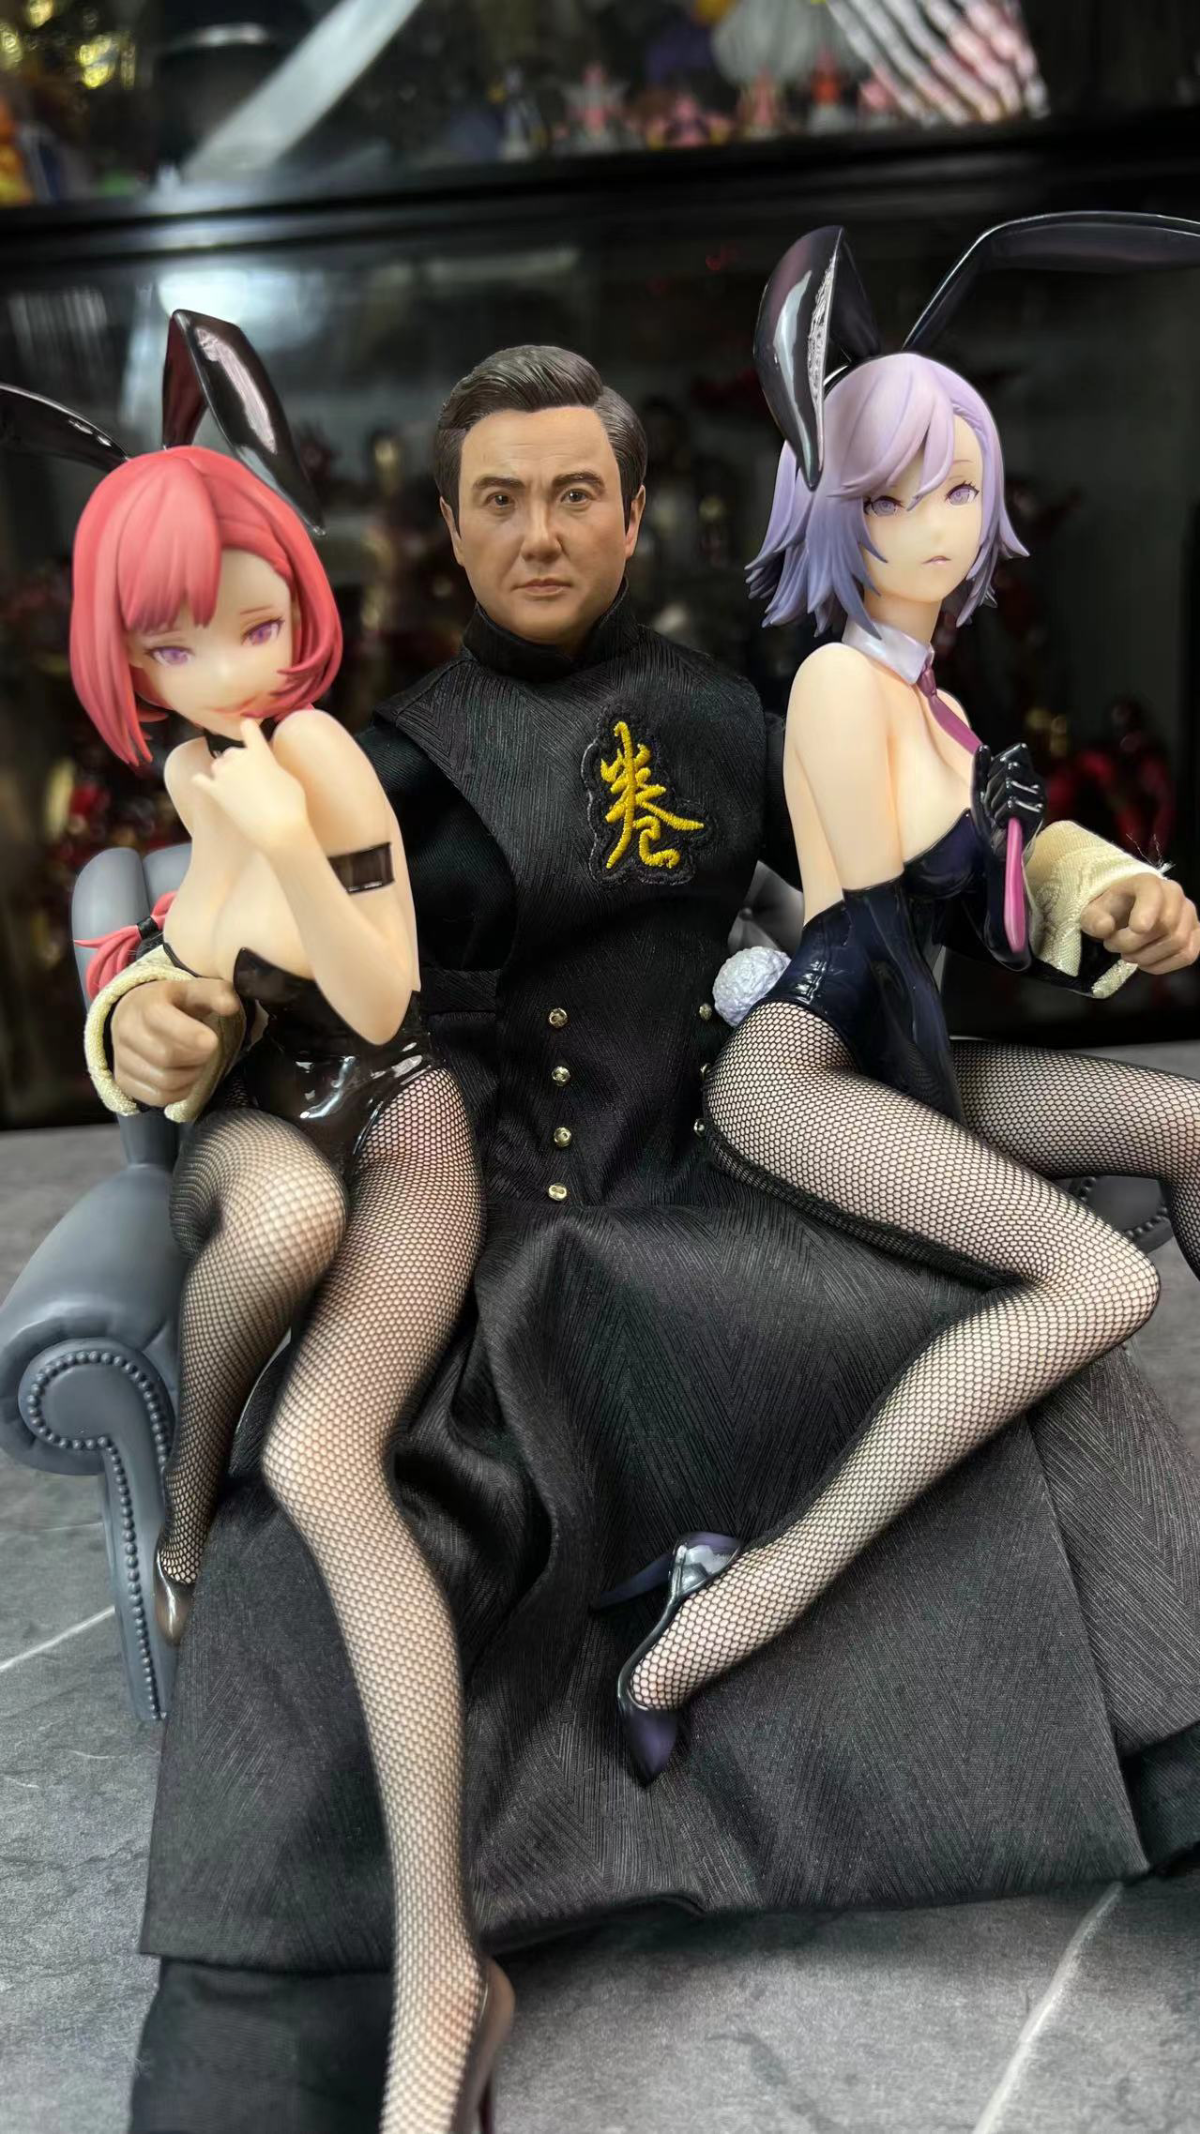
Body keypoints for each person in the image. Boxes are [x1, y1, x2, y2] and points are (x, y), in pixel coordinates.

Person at [89, 343, 1200, 2134]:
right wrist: (147, 1015)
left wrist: (1086, 885)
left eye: (575, 494)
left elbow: (897, 857)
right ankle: (290, 2001)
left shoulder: (734, 709)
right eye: (501, 500)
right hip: (481, 1219)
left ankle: (1155, 1752)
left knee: (1036, 1362)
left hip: (717, 1165)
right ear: (447, 529)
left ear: (633, 515)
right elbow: (232, 968)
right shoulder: (380, 754)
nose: (540, 532)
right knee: (336, 1512)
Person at [608, 245, 1200, 1776]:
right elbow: (871, 918)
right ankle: (728, 1602)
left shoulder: (929, 696)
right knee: (1099, 1279)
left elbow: (981, 914)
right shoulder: (835, 688)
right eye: (894, 497)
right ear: (831, 511)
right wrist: (1001, 849)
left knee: (1190, 1120)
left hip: (906, 1052)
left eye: (959, 490)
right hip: (811, 1066)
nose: (937, 524)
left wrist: (1097, 889)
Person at [42, 319, 506, 2134]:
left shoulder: (315, 756)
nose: (216, 670)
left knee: (328, 1459)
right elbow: (176, 989)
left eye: (244, 626)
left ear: (297, 605)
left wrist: (281, 836)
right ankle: (182, 1506)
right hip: (258, 1126)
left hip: (404, 1110)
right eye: (168, 647)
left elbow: (383, 994)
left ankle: (446, 1968)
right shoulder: (182, 780)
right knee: (283, 1205)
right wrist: (153, 989)